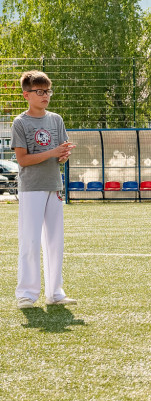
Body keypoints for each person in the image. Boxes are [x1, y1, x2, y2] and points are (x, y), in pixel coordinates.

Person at [13, 70, 76, 308]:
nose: (45, 95)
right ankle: (26, 294)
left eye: (47, 91)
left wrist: (64, 155)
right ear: (26, 95)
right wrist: (52, 152)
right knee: (29, 241)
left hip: (54, 185)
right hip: (31, 188)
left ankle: (55, 293)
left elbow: (61, 157)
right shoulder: (20, 122)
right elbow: (23, 160)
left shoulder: (56, 119)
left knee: (55, 241)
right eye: (39, 91)